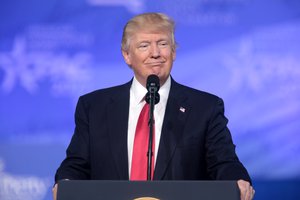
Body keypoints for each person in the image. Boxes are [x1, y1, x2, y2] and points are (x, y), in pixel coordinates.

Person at [53, 12, 255, 200]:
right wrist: (66, 183)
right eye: (144, 45)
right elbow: (76, 164)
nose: (155, 53)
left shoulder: (205, 108)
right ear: (126, 55)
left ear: (174, 52)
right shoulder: (94, 107)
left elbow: (224, 162)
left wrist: (238, 180)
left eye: (163, 43)